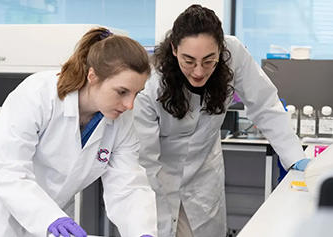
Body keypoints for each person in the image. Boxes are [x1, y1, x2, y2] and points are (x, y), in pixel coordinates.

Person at [133, 4, 310, 237]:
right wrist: (144, 220)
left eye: (209, 60)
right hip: (159, 181)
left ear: (220, 49)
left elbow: (264, 104)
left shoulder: (233, 53)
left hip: (204, 180)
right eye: (189, 60)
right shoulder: (151, 83)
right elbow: (145, 159)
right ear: (174, 50)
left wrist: (295, 156)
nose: (198, 71)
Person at [0, 27, 157, 237]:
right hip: (0, 215)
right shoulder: (38, 95)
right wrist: (49, 218)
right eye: (122, 92)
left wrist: (142, 231)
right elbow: (8, 171)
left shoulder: (121, 119)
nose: (129, 104)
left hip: (54, 215)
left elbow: (128, 185)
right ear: (93, 76)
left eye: (136, 94)